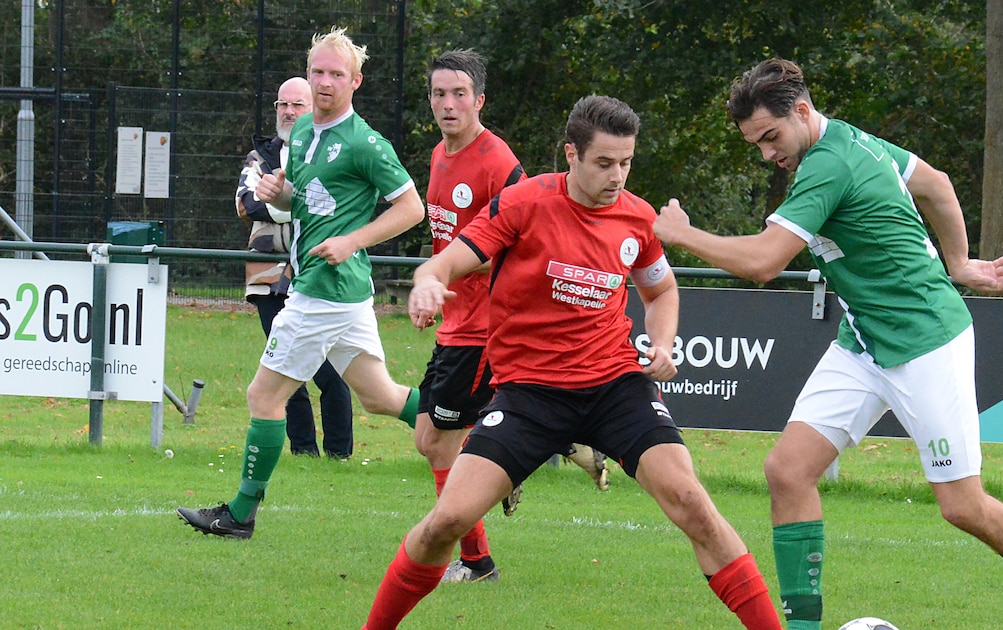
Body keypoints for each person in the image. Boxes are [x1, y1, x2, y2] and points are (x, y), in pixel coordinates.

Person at [653, 58, 1003, 630]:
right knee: (788, 471)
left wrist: (680, 235)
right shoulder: (849, 138)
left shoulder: (829, 164)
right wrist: (960, 261)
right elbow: (936, 185)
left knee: (962, 506)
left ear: (801, 111)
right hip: (864, 340)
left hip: (925, 341)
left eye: (770, 137)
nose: (768, 154)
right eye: (756, 145)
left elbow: (764, 263)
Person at [363, 95, 782, 629]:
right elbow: (442, 264)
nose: (617, 176)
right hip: (529, 394)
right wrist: (426, 285)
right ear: (572, 155)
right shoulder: (523, 203)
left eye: (626, 162)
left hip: (616, 386)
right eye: (605, 163)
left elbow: (661, 292)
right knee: (446, 521)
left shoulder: (637, 218)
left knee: (691, 502)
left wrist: (664, 343)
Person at [177, 26, 424, 539]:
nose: (325, 82)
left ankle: (240, 515)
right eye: (318, 72)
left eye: (337, 74)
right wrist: (280, 193)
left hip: (323, 289)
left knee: (262, 397)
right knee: (380, 397)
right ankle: (483, 439)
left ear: (356, 81)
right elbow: (305, 202)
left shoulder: (366, 143)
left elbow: (411, 208)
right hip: (342, 291)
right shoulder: (306, 130)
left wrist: (353, 241)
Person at [414, 49, 613, 584]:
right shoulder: (439, 155)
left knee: (438, 440)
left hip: (481, 327)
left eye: (459, 94)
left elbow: (523, 236)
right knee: (429, 434)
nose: (448, 104)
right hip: (454, 320)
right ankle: (536, 450)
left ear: (480, 100)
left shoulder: (498, 161)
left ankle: (477, 560)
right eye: (439, 93)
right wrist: (433, 289)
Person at [235, 76, 355, 460]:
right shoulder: (259, 158)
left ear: (313, 108)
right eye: (282, 105)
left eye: (297, 105)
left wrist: (285, 202)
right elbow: (245, 204)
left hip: (319, 277)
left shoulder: (331, 152)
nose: (288, 112)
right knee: (284, 373)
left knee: (331, 373)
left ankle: (340, 455)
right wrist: (302, 206)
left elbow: (339, 205)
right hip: (267, 281)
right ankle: (304, 452)